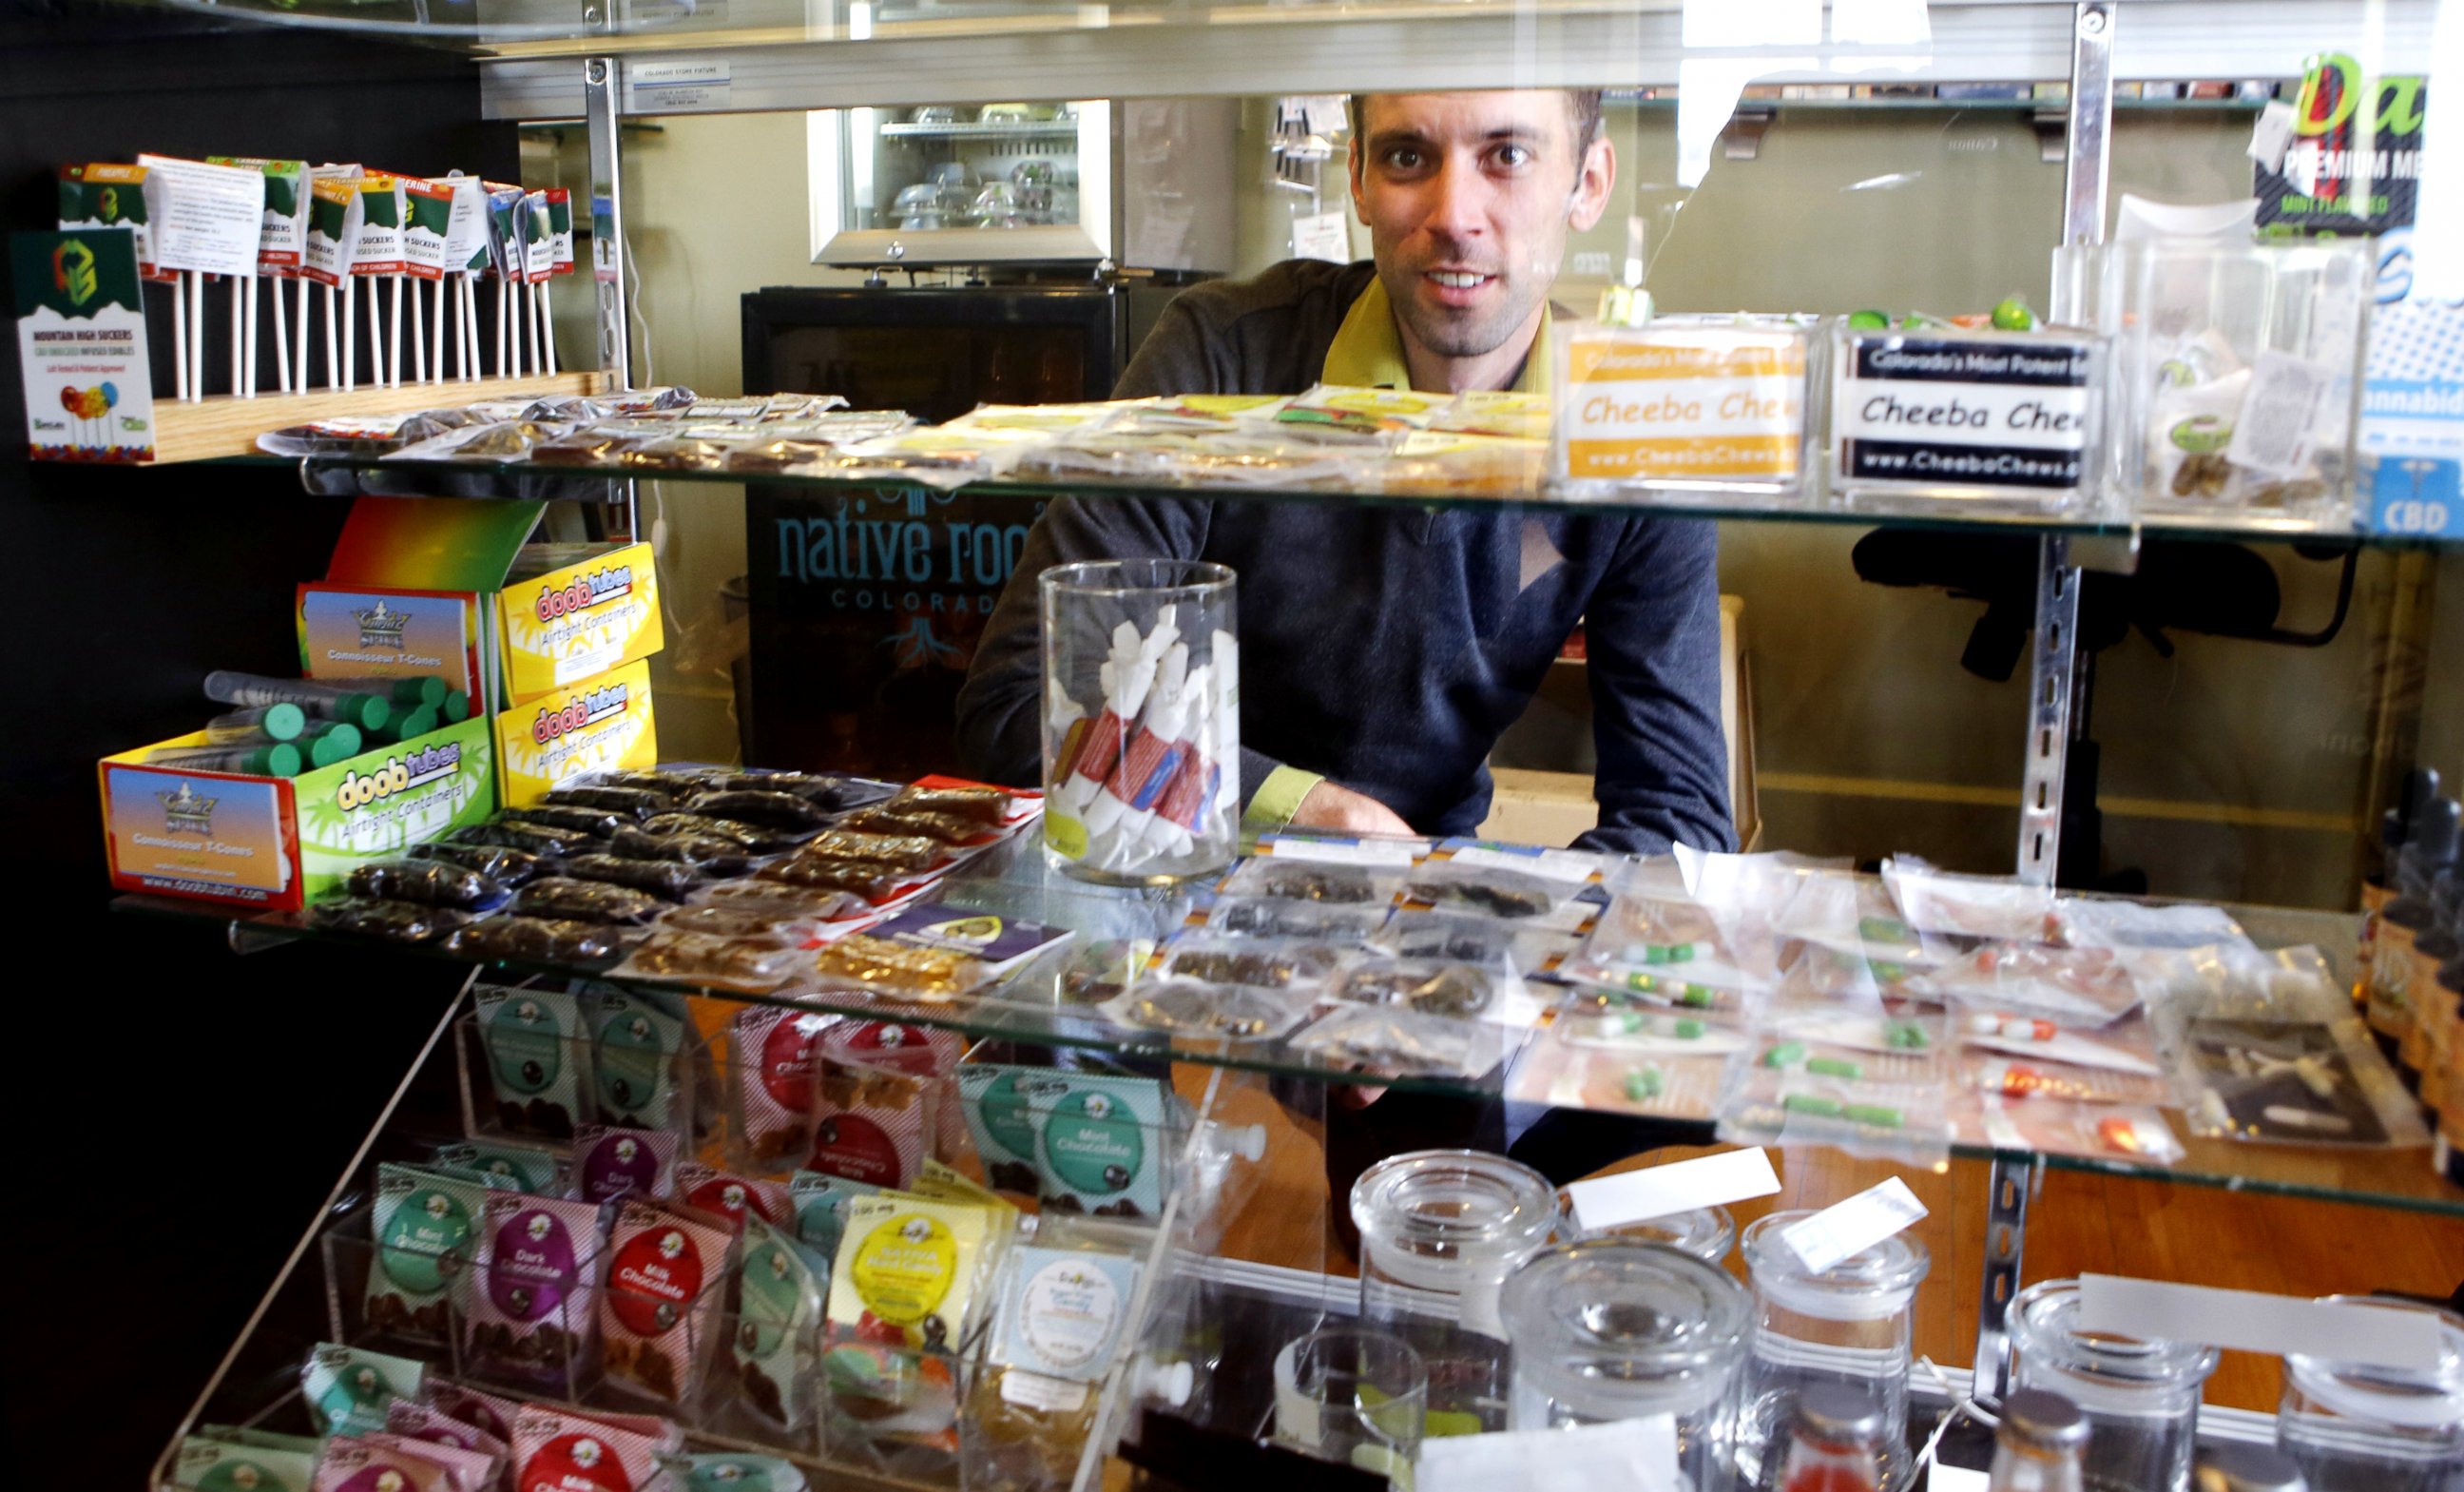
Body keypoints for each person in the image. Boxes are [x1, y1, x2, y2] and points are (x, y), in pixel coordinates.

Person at [953, 88, 1732, 1197]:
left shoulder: (1636, 424)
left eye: (1507, 155)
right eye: (1411, 155)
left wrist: (1450, 957)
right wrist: (1310, 819)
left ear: (1589, 182)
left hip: (1422, 917)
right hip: (1172, 886)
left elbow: (1679, 826)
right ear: (1358, 177)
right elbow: (1019, 703)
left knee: (1652, 1093)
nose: (1456, 212)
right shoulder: (1221, 355)